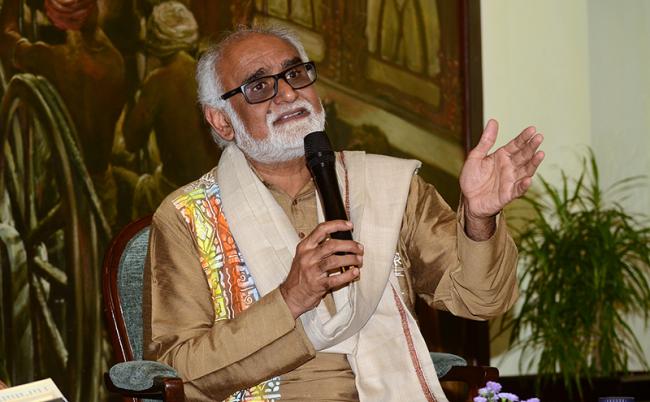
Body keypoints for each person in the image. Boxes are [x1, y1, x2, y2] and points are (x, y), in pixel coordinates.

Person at [142, 26, 545, 402]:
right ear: (222, 121)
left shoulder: (387, 186)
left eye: (295, 74)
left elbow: (480, 300)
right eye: (259, 86)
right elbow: (180, 371)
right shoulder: (186, 217)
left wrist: (478, 218)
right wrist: (289, 299)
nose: (287, 94)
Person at [0, 0, 125, 227]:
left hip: (65, 187)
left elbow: (8, 41)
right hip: (102, 182)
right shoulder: (115, 62)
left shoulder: (53, 61)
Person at [122, 1, 220, 219]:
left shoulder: (159, 81)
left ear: (155, 38)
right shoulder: (205, 73)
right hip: (215, 189)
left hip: (175, 191)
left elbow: (131, 141)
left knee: (121, 179)